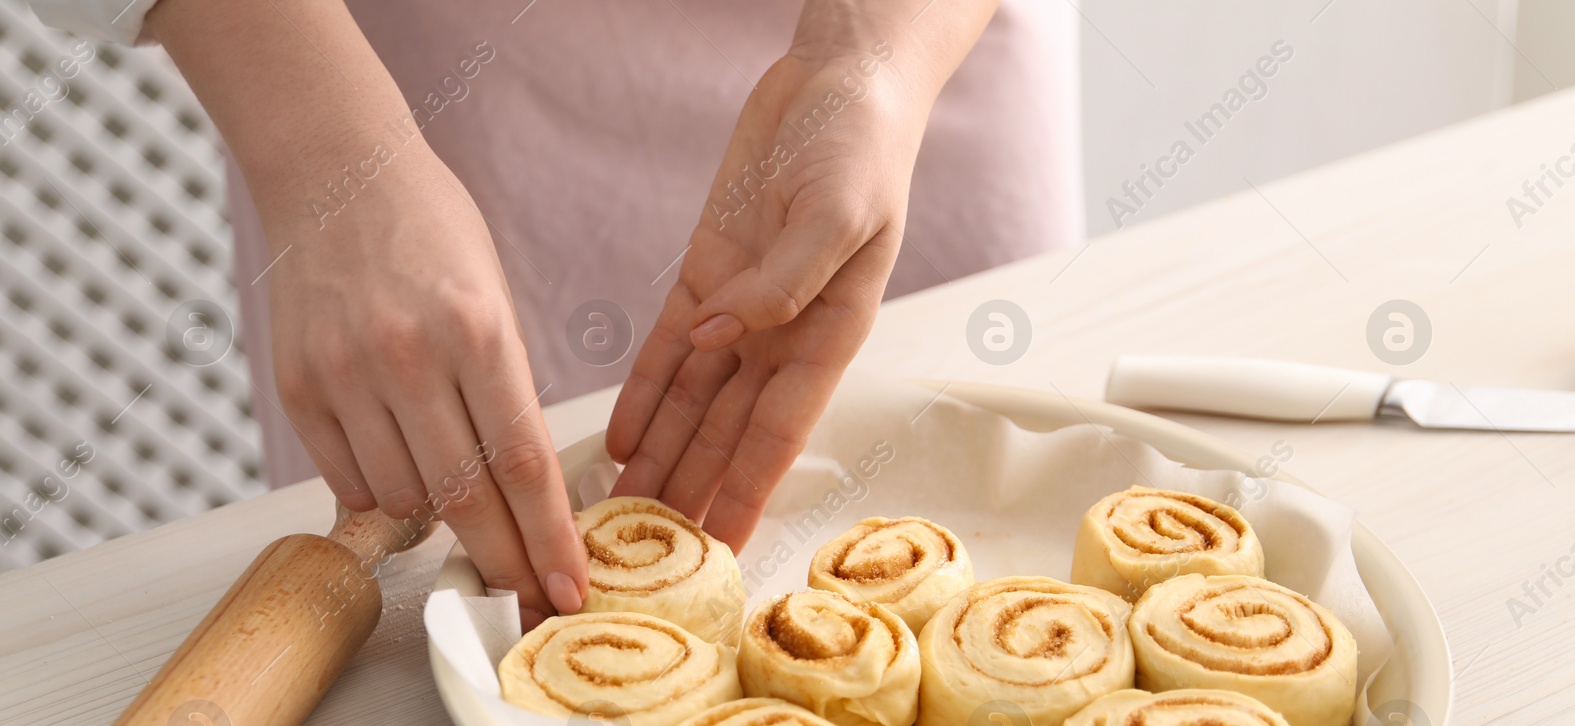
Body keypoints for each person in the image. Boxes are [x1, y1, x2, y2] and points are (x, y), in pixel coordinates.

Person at [33, 0, 1082, 629]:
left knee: (998, 522)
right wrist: (326, 157)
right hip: (392, 90)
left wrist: (874, 57)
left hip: (921, 53)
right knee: (439, 635)